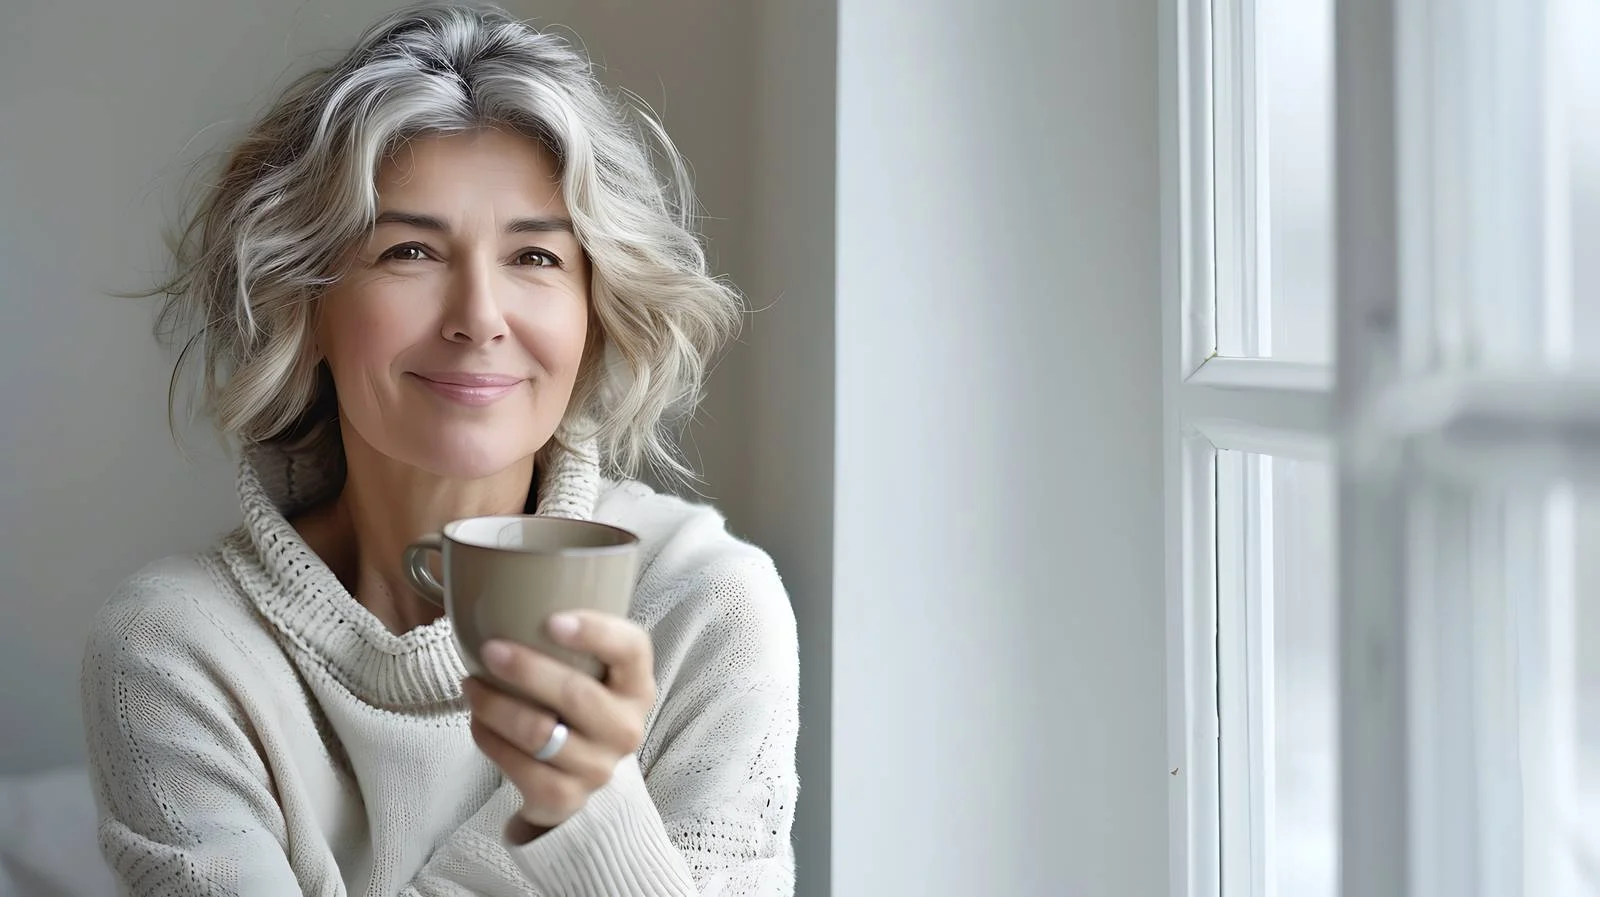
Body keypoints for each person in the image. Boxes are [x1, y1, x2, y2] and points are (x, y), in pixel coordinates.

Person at [78, 4, 799, 895]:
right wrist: (532, 837)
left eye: (535, 258)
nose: (479, 318)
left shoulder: (702, 606)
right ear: (302, 306)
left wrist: (585, 805)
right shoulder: (178, 647)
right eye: (410, 250)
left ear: (595, 314)